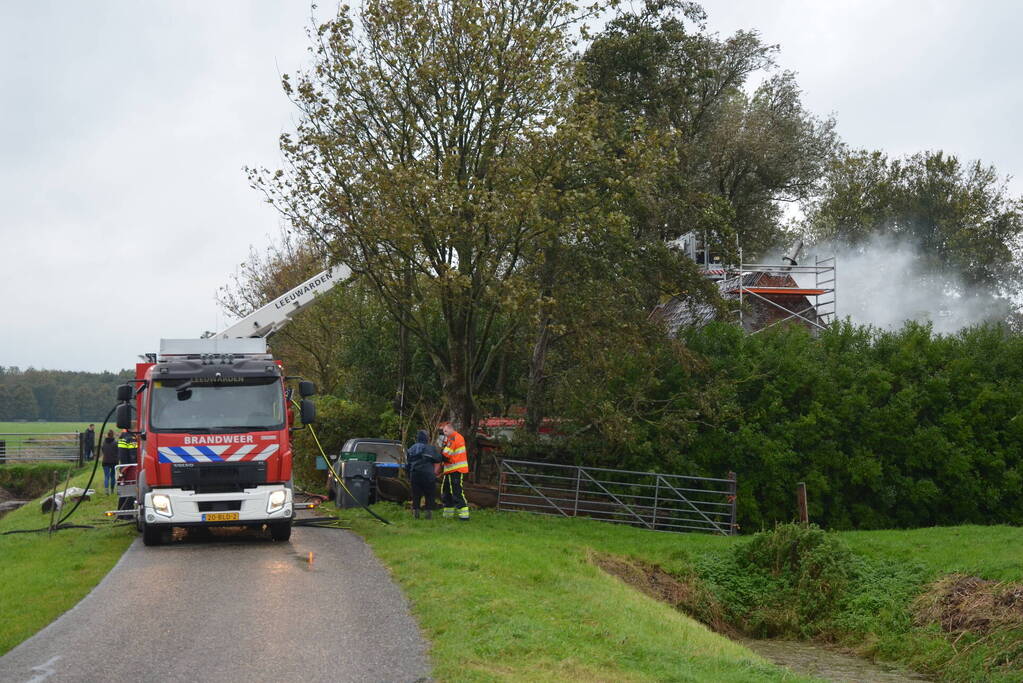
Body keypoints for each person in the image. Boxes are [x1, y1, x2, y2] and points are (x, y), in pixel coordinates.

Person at [404, 429, 442, 519]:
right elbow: (438, 459)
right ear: (426, 438)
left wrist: (409, 475)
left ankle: (416, 513)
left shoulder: (411, 448)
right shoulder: (430, 448)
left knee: (416, 494)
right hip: (428, 475)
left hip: (415, 474)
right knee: (429, 494)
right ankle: (428, 514)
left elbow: (407, 463)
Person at [439, 422, 470, 521]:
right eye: (443, 431)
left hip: (456, 469)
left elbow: (446, 454)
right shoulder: (452, 438)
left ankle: (464, 514)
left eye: (446, 431)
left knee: (456, 491)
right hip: (450, 470)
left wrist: (437, 456)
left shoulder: (453, 438)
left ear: (451, 429)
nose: (444, 433)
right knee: (446, 490)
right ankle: (448, 513)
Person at [100, 429, 118, 495]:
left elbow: (103, 451)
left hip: (105, 461)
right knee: (112, 476)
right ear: (113, 435)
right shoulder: (116, 443)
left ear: (107, 435)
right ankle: (112, 490)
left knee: (106, 476)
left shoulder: (104, 443)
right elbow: (117, 452)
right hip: (114, 462)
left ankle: (106, 491)